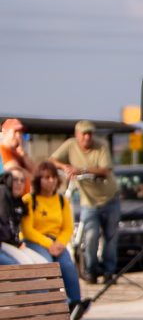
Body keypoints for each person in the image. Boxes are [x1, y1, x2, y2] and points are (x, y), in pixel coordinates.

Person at [49, 120, 120, 284]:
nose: (87, 137)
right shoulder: (70, 145)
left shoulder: (101, 146)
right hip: (88, 201)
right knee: (90, 236)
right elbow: (52, 160)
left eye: (90, 133)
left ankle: (109, 272)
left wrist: (81, 170)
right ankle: (91, 270)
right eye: (84, 134)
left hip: (110, 198)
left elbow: (105, 170)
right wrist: (65, 166)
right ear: (77, 135)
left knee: (111, 237)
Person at [20, 161, 84, 312]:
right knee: (48, 265)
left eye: (54, 177)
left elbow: (68, 227)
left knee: (68, 266)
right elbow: (27, 230)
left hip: (57, 243)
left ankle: (76, 305)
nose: (51, 181)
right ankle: (60, 305)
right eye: (46, 178)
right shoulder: (29, 200)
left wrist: (60, 243)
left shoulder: (62, 200)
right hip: (36, 241)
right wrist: (49, 244)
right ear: (38, 180)